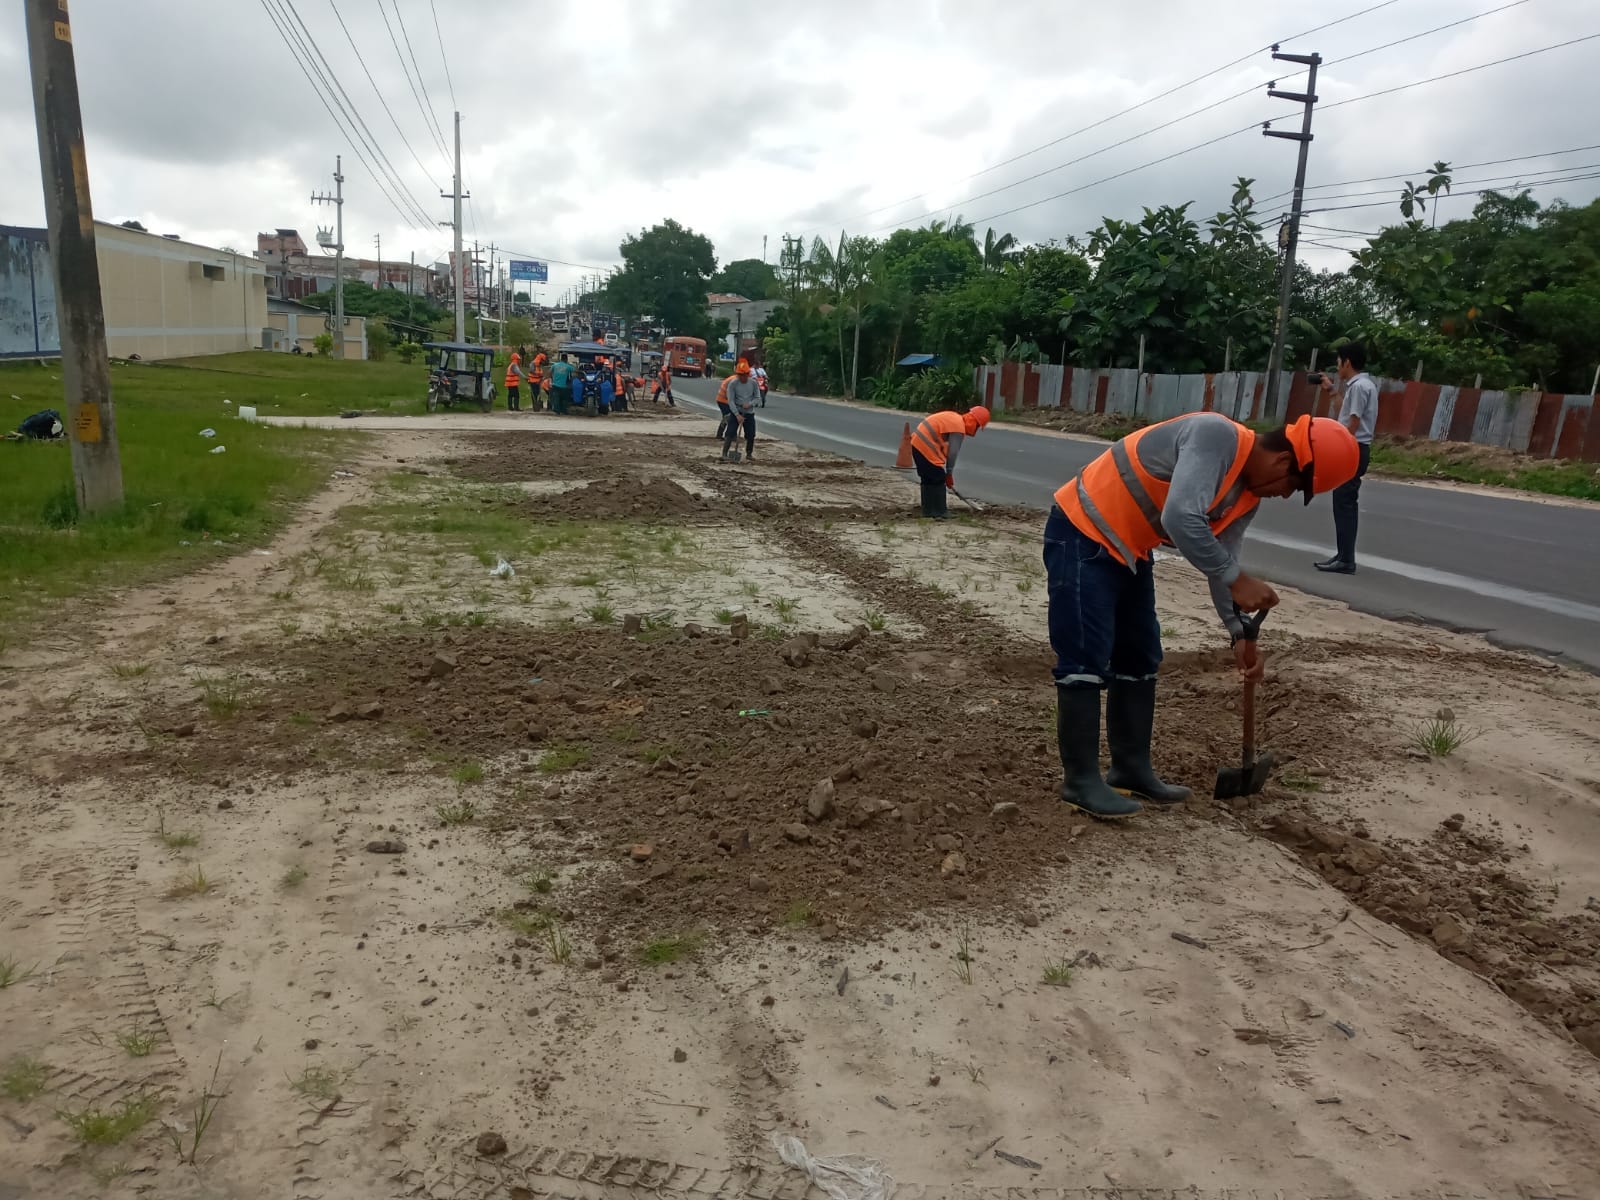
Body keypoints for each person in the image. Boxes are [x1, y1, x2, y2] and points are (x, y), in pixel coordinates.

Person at [1046, 411, 1361, 820]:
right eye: (1294, 486)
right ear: (1284, 462)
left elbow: (1221, 561)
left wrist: (1239, 632)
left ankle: (1130, 768)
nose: (1285, 495)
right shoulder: (1216, 436)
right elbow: (1180, 518)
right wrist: (1237, 579)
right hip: (1082, 532)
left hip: (1129, 549)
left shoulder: (1246, 497)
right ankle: (1081, 781)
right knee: (1085, 657)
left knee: (1140, 656)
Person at [1315, 342, 1379, 575]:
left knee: (1344, 503)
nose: (1337, 365)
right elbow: (1348, 413)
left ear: (1347, 362)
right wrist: (1331, 390)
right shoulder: (1360, 386)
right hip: (1355, 448)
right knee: (1343, 503)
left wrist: (1338, 447)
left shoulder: (1360, 387)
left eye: (1339, 360)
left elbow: (1353, 423)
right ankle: (1343, 555)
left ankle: (1346, 559)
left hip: (1354, 449)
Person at [909, 406, 991, 519]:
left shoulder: (955, 418)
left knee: (928, 479)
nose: (975, 430)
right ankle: (940, 511)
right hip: (924, 446)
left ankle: (928, 510)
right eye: (977, 426)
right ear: (973, 421)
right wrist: (949, 474)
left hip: (916, 444)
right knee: (938, 477)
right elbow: (953, 453)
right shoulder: (958, 427)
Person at [722, 359, 762, 461]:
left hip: (749, 413)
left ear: (748, 374)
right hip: (736, 411)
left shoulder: (753, 383)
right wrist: (737, 415)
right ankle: (724, 453)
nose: (742, 377)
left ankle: (749, 453)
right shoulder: (733, 384)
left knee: (751, 434)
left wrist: (749, 404)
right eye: (740, 375)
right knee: (730, 432)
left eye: (744, 375)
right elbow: (730, 401)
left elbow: (758, 398)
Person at [505, 346, 526, 412]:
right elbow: (518, 372)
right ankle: (516, 408)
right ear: (516, 359)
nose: (519, 360)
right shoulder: (514, 365)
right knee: (516, 395)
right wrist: (525, 377)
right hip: (512, 383)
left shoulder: (511, 364)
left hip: (509, 382)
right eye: (518, 359)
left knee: (510, 395)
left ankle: (510, 407)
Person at [714, 371, 734, 439]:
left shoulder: (733, 378)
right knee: (729, 417)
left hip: (722, 399)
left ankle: (725, 434)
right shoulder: (734, 381)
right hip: (724, 401)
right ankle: (728, 435)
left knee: (728, 417)